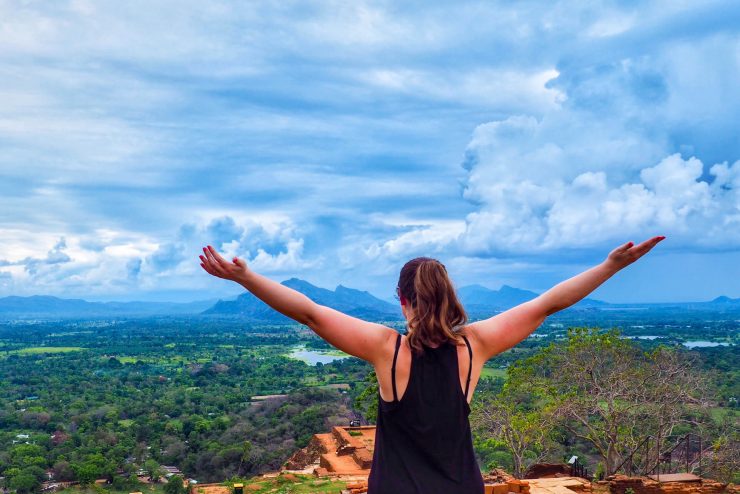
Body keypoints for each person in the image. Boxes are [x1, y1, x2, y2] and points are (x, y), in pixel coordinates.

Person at [198, 235, 665, 493]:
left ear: (401, 299)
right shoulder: (474, 347)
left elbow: (311, 312)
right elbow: (546, 305)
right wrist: (609, 266)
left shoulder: (389, 349)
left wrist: (247, 277)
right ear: (450, 297)